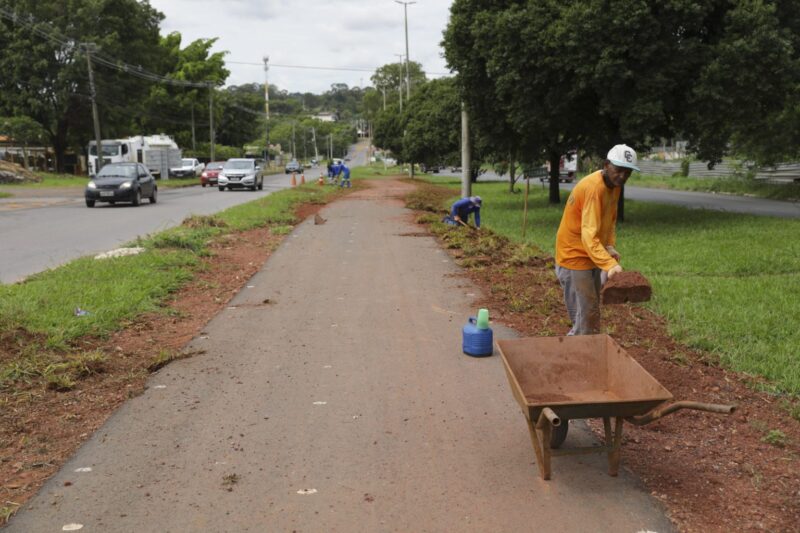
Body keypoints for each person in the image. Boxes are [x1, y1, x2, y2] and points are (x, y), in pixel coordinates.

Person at [554, 144, 639, 335]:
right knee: (585, 318)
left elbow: (609, 220)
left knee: (590, 314)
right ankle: (576, 357)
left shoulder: (614, 187)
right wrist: (609, 265)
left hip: (590, 253)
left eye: (628, 173)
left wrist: (609, 246)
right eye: (618, 170)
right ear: (607, 164)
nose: (622, 177)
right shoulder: (594, 188)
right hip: (574, 256)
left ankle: (584, 352)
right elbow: (588, 235)